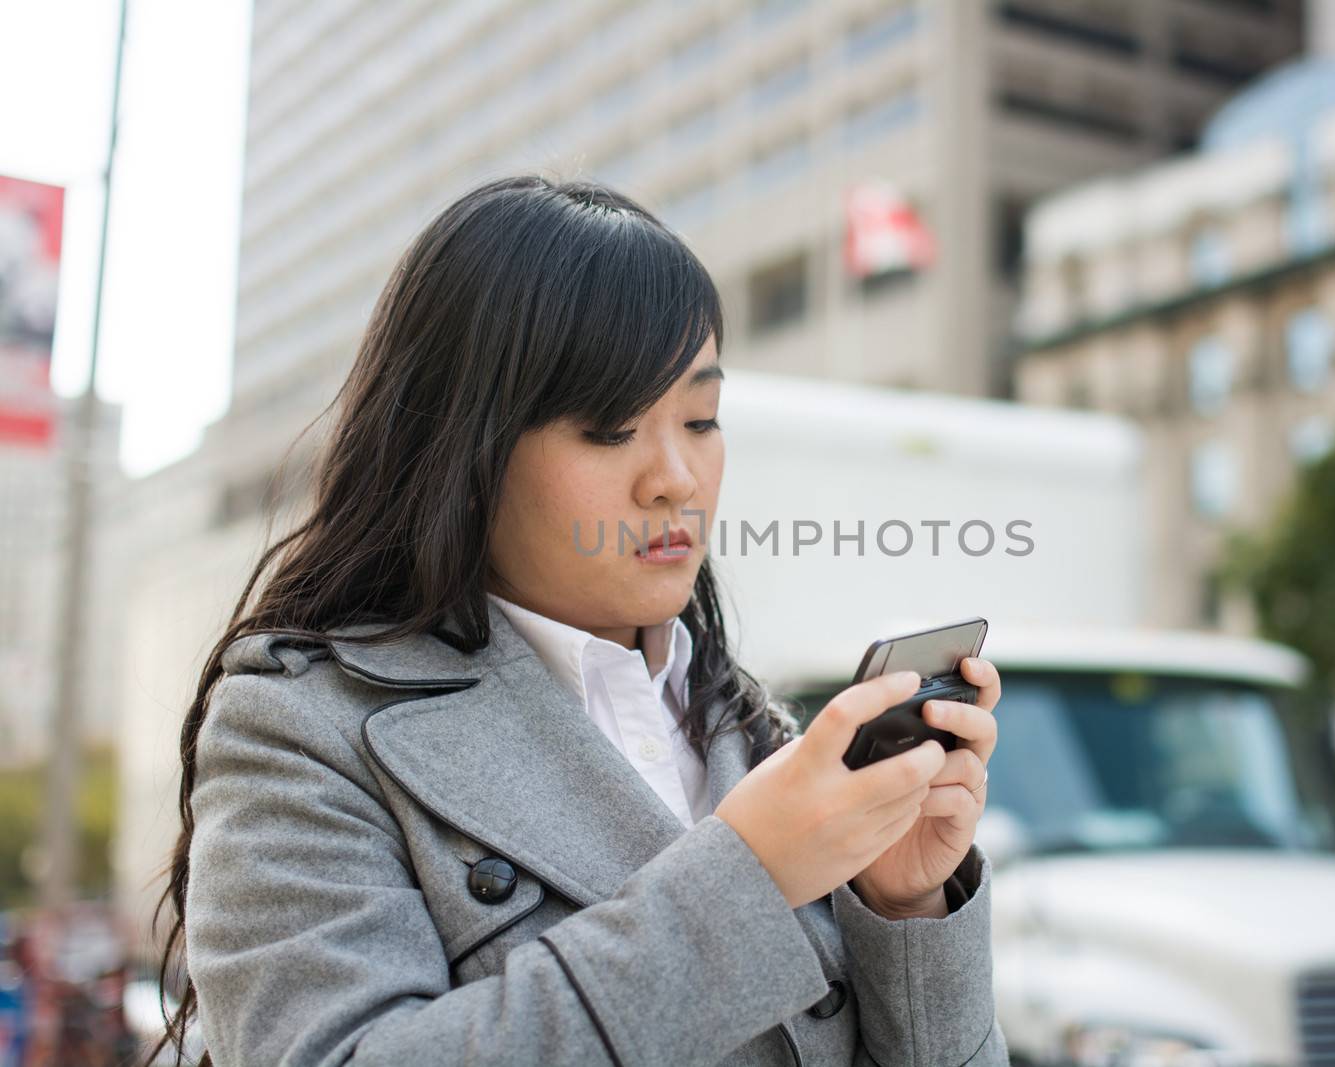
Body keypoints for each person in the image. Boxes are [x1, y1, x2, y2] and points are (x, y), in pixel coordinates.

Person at [141, 175, 1008, 1067]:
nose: (675, 476)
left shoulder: (748, 729)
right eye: (609, 428)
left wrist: (906, 911)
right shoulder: (303, 728)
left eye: (702, 418)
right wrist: (746, 878)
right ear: (466, 445)